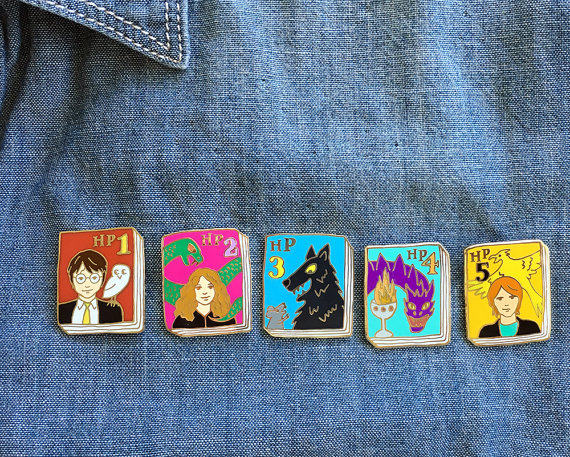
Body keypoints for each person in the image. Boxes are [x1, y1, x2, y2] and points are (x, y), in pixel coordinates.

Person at [58, 250, 123, 325]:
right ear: (72, 280)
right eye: (81, 278)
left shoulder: (113, 310)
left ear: (102, 279)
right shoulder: (62, 310)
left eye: (94, 278)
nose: (87, 284)